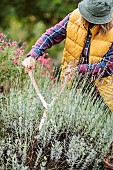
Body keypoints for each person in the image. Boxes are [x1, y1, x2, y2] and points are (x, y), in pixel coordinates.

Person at [22, 0, 113, 111]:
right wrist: (33, 55)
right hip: (72, 85)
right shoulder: (74, 17)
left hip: (103, 92)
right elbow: (51, 35)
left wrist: (78, 69)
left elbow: (107, 67)